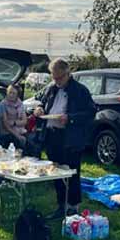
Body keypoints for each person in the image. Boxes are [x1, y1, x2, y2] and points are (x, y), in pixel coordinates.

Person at [34, 59, 95, 220]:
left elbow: (90, 113)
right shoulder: (51, 88)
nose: (56, 81)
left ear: (68, 73)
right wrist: (39, 108)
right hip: (52, 135)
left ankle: (73, 207)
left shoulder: (80, 90)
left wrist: (70, 118)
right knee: (56, 172)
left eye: (59, 78)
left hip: (70, 137)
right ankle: (61, 205)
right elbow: (39, 99)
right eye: (53, 77)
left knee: (71, 173)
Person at [0, 84, 28, 149]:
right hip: (8, 133)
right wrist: (18, 136)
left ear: (17, 95)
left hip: (21, 131)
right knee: (17, 142)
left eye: (13, 93)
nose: (11, 95)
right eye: (10, 92)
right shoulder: (3, 104)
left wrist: (14, 122)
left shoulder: (20, 103)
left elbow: (24, 121)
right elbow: (6, 124)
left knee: (31, 146)